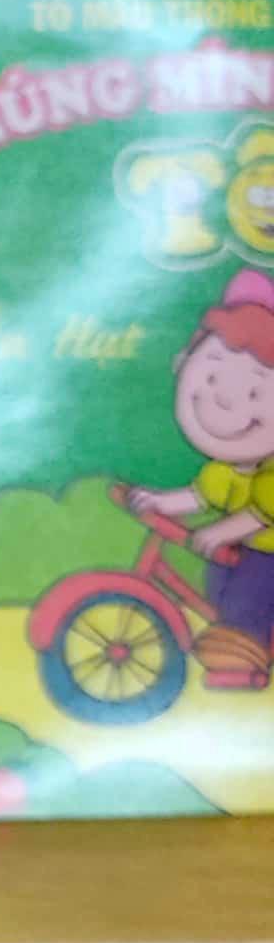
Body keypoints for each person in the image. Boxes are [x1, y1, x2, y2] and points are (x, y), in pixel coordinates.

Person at [131, 273, 274, 689]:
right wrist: (158, 501)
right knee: (219, 587)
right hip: (243, 549)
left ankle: (244, 658)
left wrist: (225, 530)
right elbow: (199, 495)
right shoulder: (228, 470)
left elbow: (262, 513)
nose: (225, 405)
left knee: (247, 596)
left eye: (254, 396)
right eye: (210, 380)